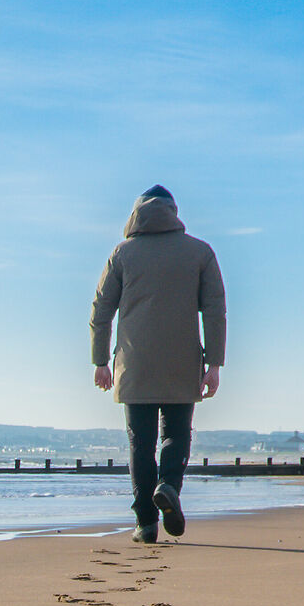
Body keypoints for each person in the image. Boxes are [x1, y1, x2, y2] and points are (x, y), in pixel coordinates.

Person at [90, 184, 226, 542]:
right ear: (174, 212)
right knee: (176, 434)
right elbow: (215, 311)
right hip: (182, 360)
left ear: (136, 214)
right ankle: (168, 486)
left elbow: (101, 310)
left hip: (134, 363)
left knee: (140, 443)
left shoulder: (122, 253)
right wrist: (214, 364)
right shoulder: (200, 252)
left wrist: (100, 361)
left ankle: (146, 523)